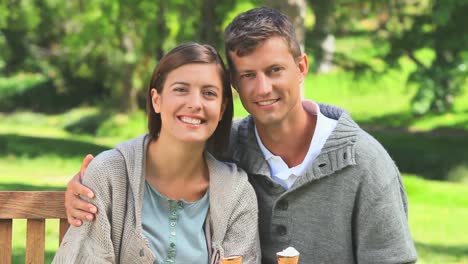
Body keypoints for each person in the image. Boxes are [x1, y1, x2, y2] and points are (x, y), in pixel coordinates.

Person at [65, 7, 418, 264]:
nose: (263, 88)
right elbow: (156, 155)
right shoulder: (224, 148)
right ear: (234, 85)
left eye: (275, 70)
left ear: (302, 68)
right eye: (248, 75)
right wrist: (84, 187)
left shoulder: (365, 164)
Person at [53, 43, 260, 264]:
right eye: (181, 89)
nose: (195, 103)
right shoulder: (109, 174)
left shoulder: (236, 194)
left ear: (221, 109)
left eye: (209, 93)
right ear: (156, 100)